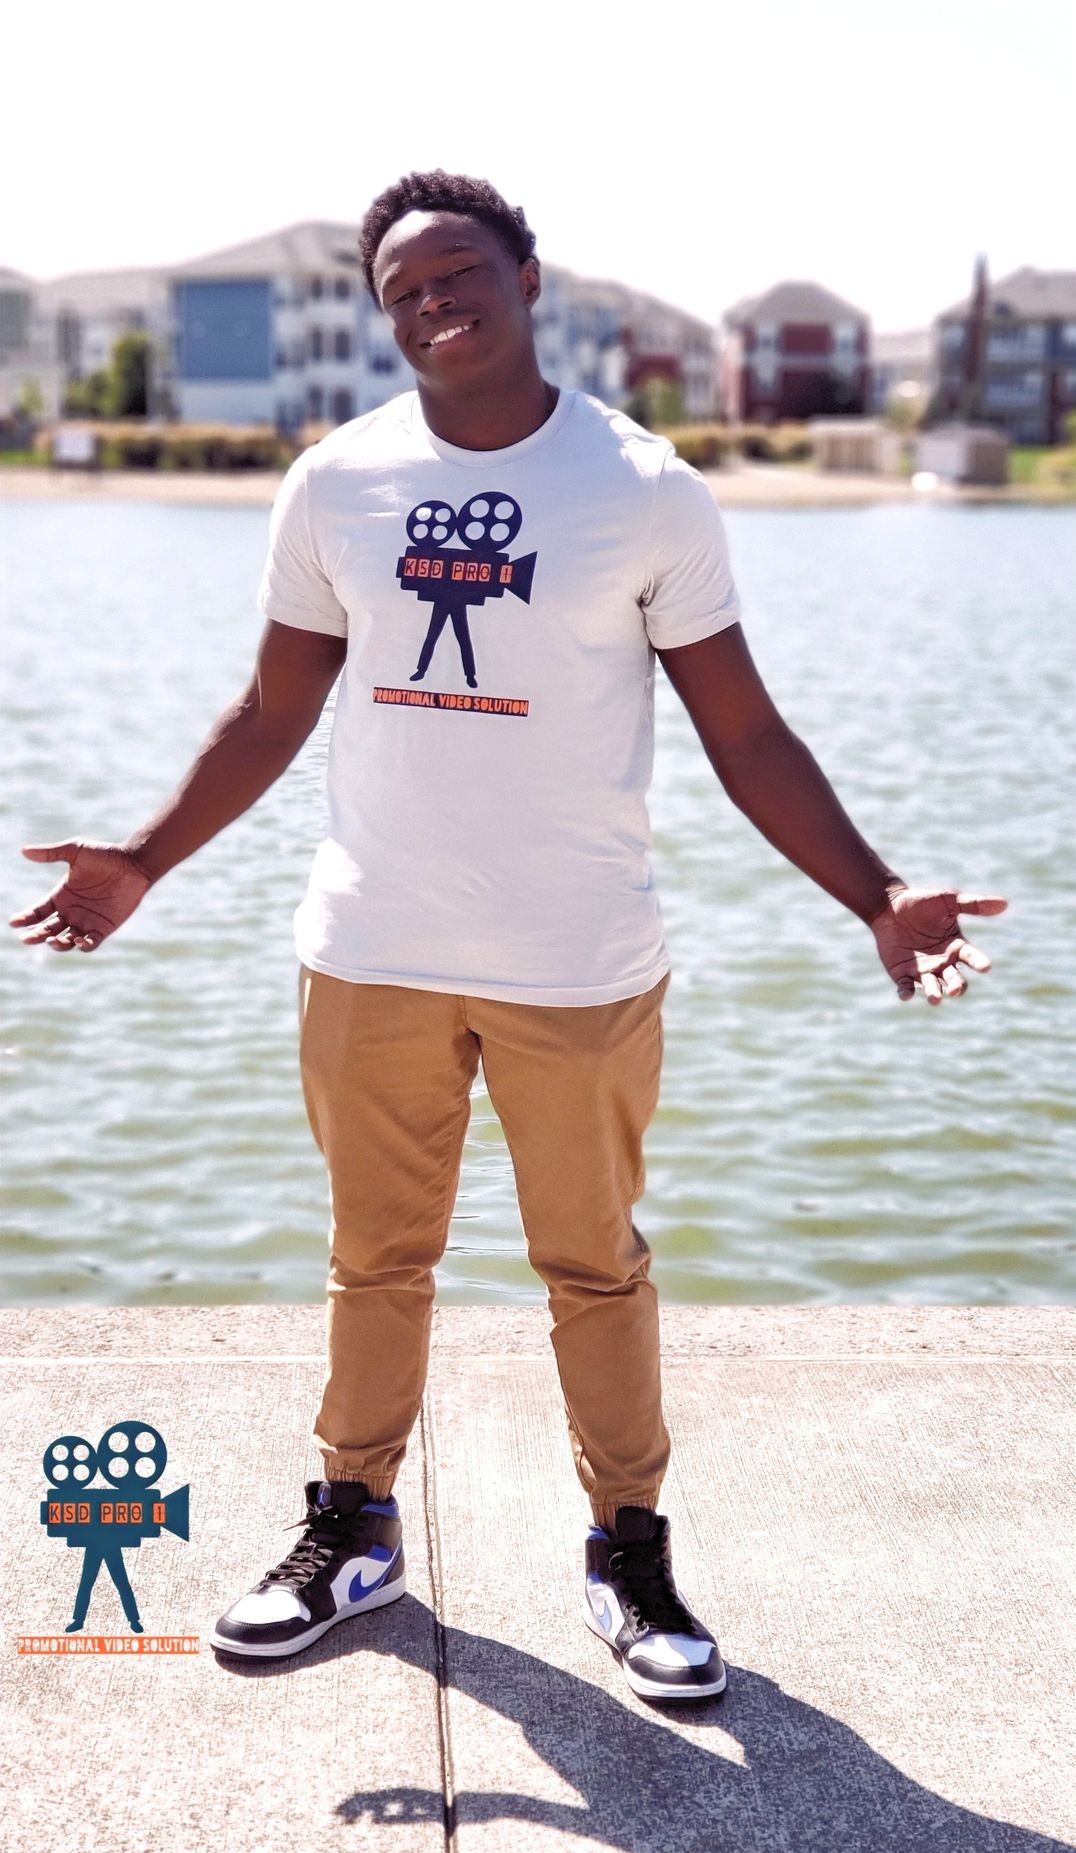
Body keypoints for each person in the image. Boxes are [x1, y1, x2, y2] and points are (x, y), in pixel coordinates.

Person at [10, 171, 1008, 1704]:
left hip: (579, 961)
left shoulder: (646, 488)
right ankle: (349, 1529)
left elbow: (744, 732)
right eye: (399, 287)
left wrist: (873, 895)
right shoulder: (335, 481)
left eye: (457, 270)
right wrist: (145, 858)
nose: (429, 302)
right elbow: (278, 709)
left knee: (593, 1267)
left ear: (529, 278)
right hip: (370, 947)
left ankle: (630, 1553)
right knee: (374, 1261)